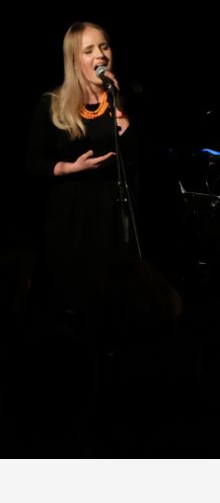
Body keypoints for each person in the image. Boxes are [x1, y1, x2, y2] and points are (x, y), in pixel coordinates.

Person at [26, 21, 135, 311]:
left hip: (112, 216)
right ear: (74, 60)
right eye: (89, 50)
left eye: (104, 46)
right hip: (70, 218)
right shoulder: (53, 103)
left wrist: (124, 121)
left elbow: (142, 163)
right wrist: (69, 168)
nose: (101, 54)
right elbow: (33, 163)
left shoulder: (120, 100)